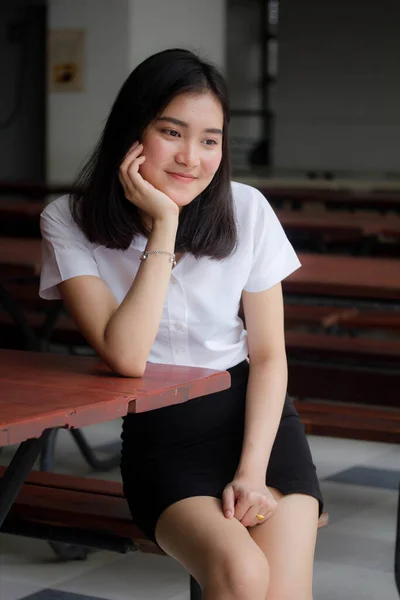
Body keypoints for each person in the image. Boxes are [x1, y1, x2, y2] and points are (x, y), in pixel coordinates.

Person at [39, 48, 323, 600]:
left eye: (210, 139)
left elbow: (268, 356)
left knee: (282, 594)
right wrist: (164, 225)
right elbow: (126, 357)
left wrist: (251, 470)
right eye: (172, 132)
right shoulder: (68, 219)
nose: (192, 157)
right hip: (164, 435)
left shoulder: (247, 209)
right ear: (133, 130)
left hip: (258, 425)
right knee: (242, 576)